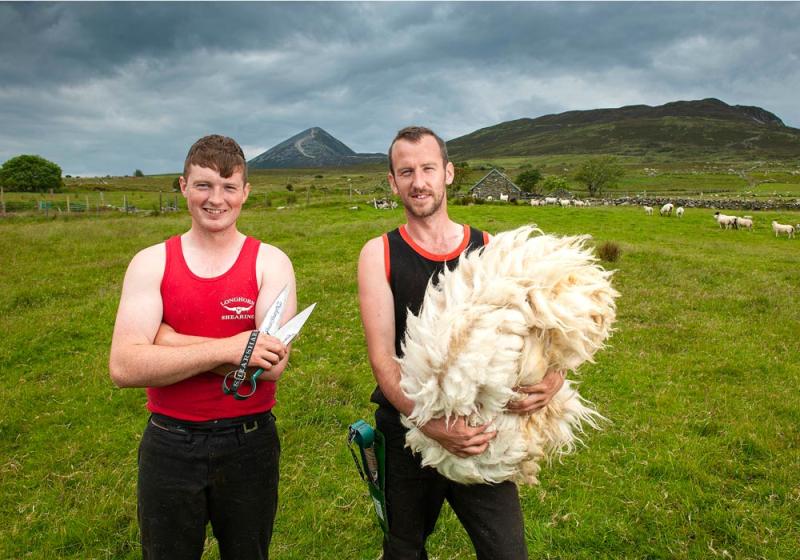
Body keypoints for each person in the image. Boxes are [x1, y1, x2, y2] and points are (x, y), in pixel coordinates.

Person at [357, 126, 565, 560]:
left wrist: (554, 378)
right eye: (406, 171)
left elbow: (537, 331)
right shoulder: (379, 253)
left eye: (428, 168)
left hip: (483, 431)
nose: (419, 181)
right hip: (408, 428)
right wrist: (427, 423)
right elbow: (383, 361)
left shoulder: (489, 248)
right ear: (393, 182)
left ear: (448, 173)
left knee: (507, 552)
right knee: (403, 549)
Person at [109, 134, 296, 560]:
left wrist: (168, 341)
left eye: (229, 187)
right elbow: (124, 367)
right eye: (203, 185)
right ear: (182, 186)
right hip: (170, 443)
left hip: (249, 443)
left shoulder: (271, 262)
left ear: (245, 192)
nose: (216, 199)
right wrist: (231, 348)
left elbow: (267, 367)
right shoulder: (151, 262)